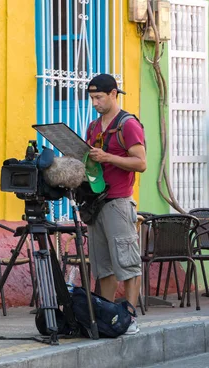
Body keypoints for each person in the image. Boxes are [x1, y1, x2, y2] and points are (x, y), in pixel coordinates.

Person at [85, 74, 147, 335]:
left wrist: (107, 156)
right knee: (103, 268)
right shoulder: (93, 126)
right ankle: (109, 317)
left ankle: (130, 318)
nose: (95, 103)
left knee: (128, 263)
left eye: (99, 97)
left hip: (119, 203)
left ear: (113, 94)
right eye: (92, 98)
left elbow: (141, 163)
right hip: (96, 204)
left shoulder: (128, 124)